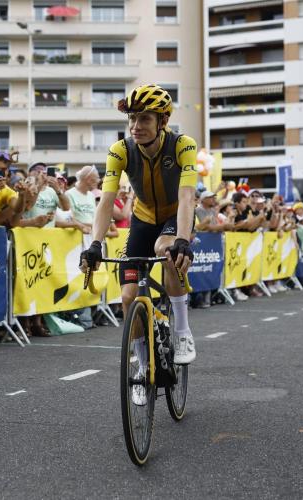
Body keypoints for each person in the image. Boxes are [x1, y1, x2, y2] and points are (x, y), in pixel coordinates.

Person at [80, 84, 198, 372]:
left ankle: (182, 331)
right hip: (142, 220)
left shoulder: (183, 145)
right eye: (132, 118)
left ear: (163, 121)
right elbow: (106, 201)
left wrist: (183, 239)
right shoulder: (120, 150)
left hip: (174, 217)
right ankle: (143, 367)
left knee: (165, 250)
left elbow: (186, 197)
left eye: (145, 118)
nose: (135, 126)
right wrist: (95, 244)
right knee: (128, 296)